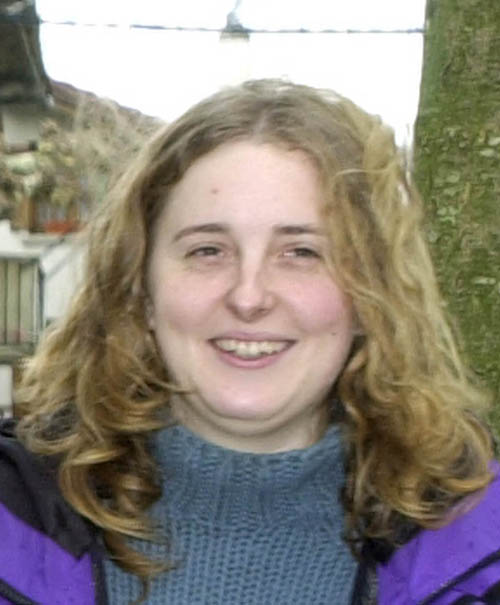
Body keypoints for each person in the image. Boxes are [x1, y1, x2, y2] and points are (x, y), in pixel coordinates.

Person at [0, 79, 498, 605]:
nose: (249, 296)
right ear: (139, 288)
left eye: (301, 253)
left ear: (369, 295)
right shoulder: (15, 519)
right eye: (208, 250)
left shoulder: (477, 550)